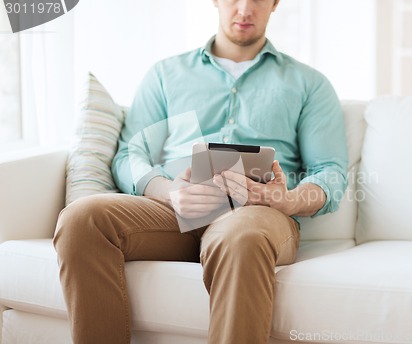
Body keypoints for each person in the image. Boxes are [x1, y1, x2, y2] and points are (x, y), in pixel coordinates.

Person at [53, 0, 348, 343]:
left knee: (241, 237)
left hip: (256, 215)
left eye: (257, 0)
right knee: (80, 219)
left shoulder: (309, 84)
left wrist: (289, 200)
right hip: (172, 212)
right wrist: (168, 191)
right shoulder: (165, 73)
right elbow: (130, 154)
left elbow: (330, 172)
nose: (244, 9)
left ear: (275, 4)